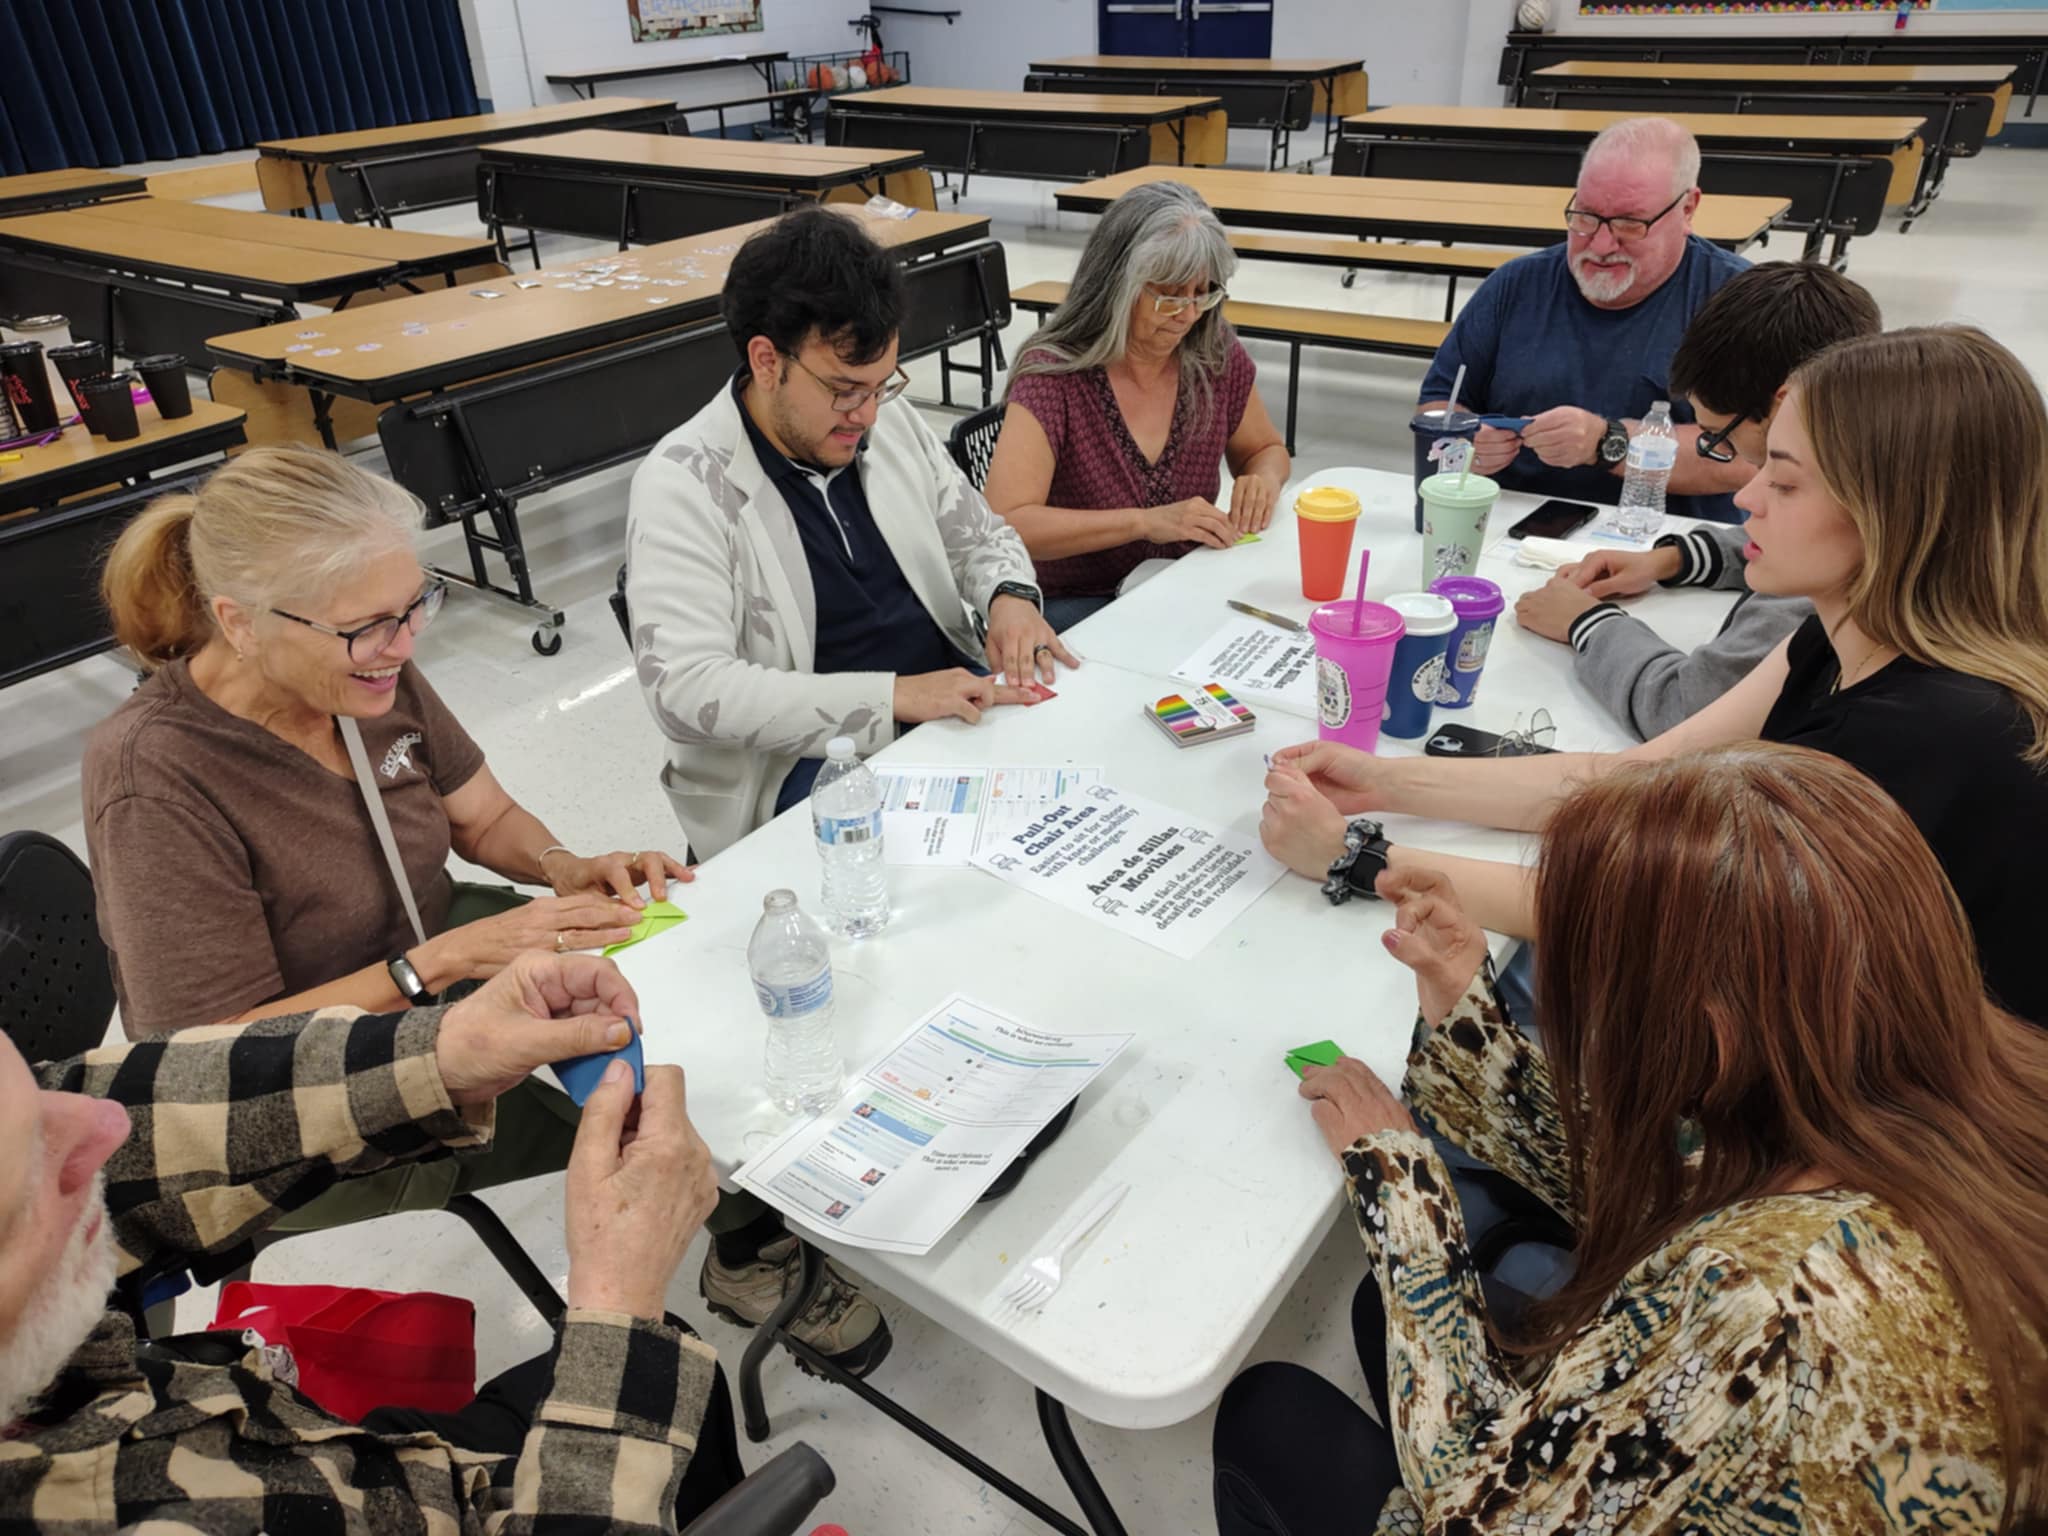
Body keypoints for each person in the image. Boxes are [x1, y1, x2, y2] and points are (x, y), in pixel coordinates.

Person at [84, 445, 891, 1379]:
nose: (402, 643)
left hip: (446, 956)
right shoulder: (155, 779)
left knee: (683, 989)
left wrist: (569, 868)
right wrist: (439, 965)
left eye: (414, 606)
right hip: (315, 1081)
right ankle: (752, 1255)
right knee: (666, 1082)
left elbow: (484, 813)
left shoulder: (363, 665)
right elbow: (205, 1068)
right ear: (240, 621)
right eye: (368, 627)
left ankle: (751, 1207)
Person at [1213, 746, 2048, 1532]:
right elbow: (1680, 1192)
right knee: (1391, 1311)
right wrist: (1467, 1015)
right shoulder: (1953, 1089)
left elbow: (1485, 1512)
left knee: (1274, 1418)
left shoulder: (1758, 1301)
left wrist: (1402, 1191)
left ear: (1710, 1042)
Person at [1262, 326, 2048, 1027]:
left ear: (1893, 514)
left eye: (1782, 481)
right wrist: (1386, 783)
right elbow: (1641, 777)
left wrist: (1360, 859)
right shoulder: (1851, 633)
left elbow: (1664, 918)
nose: (1744, 500)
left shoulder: (1924, 734)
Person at [0, 950, 750, 1527]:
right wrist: (619, 1300)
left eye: (38, 1099)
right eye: (21, 1192)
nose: (97, 1132)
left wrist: (439, 1054)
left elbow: (122, 1110)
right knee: (649, 1377)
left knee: (677, 1371)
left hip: (299, 1443)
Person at [628, 206, 1073, 860]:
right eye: (843, 390)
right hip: (802, 764)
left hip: (945, 710)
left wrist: (1010, 598)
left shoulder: (883, 424)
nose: (865, 414)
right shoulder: (685, 481)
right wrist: (894, 697)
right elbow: (688, 692)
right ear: (767, 360)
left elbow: (980, 536)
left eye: (881, 384)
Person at [1511, 260, 1883, 738]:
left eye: (1716, 438)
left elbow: (1686, 711)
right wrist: (1672, 559)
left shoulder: (1822, 579)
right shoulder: (1866, 487)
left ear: (1785, 403)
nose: (1746, 495)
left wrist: (1587, 623)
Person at [982, 180, 1291, 632]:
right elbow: (1008, 524)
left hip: (1179, 584)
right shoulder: (1054, 376)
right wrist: (1144, 523)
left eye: (1202, 293)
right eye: (1168, 296)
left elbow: (1263, 448)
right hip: (1077, 603)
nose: (1188, 314)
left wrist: (1262, 479)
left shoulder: (1210, 352)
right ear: (1115, 286)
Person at [1417, 117, 1754, 523]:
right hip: (1509, 525)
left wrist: (1607, 443)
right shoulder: (1516, 284)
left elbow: (1751, 457)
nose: (1601, 244)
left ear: (1687, 209)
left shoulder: (1738, 302)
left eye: (1631, 223)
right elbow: (1438, 404)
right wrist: (1462, 443)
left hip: (1662, 542)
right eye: (1586, 216)